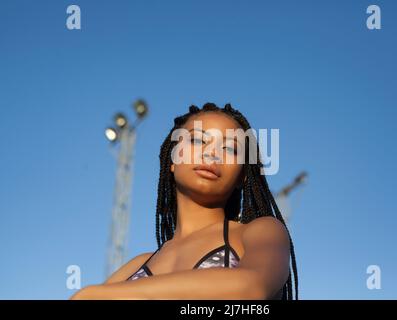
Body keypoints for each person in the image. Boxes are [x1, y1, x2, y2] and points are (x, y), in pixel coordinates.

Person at [70, 102, 299, 300]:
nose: (212, 154)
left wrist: (99, 294)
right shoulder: (137, 265)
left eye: (229, 147)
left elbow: (252, 287)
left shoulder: (261, 232)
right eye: (198, 141)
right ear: (172, 159)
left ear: (242, 175)